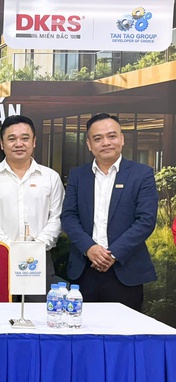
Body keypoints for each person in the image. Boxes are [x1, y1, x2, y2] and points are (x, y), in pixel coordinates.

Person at [61, 113, 158, 311]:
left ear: (122, 139)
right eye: (98, 138)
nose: (105, 142)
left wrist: (112, 254)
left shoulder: (142, 174)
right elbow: (69, 217)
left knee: (124, 329)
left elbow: (146, 221)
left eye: (112, 136)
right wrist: (89, 248)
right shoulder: (78, 175)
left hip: (125, 270)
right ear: (89, 144)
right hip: (85, 270)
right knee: (82, 327)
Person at [0, 115, 64, 300]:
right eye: (12, 139)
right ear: (2, 144)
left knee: (37, 314)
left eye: (25, 138)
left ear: (34, 142)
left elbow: (57, 217)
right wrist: (10, 247)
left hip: (39, 260)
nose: (19, 144)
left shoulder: (50, 177)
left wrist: (37, 246)